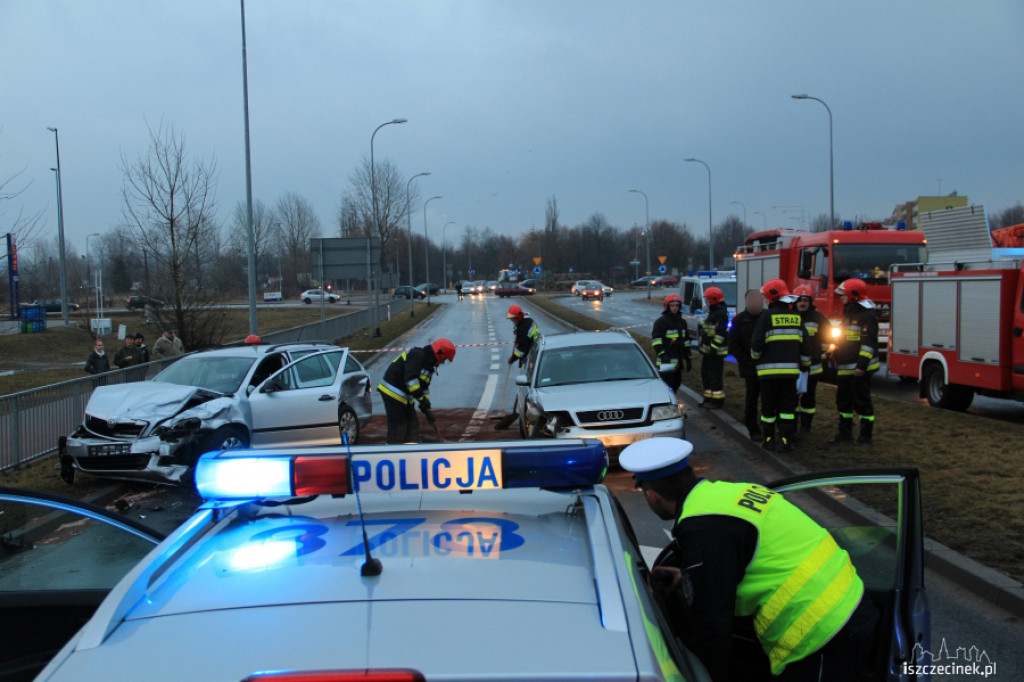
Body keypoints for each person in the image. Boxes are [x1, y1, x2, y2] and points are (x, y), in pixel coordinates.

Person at [620, 437, 880, 682]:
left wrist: (704, 675)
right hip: (848, 602)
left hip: (821, 633)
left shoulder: (703, 528)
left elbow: (712, 623)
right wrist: (688, 576)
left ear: (651, 495)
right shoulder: (729, 494)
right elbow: (752, 559)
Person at [750, 279, 810, 453]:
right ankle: (785, 441)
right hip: (790, 375)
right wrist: (805, 365)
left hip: (767, 374)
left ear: (772, 298)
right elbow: (805, 346)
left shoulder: (766, 317)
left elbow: (756, 343)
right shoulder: (796, 317)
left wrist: (755, 359)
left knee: (768, 408)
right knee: (787, 409)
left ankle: (768, 440)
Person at [377, 338, 456, 444]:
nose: (442, 363)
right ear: (440, 354)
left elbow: (424, 388)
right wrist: (422, 400)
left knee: (413, 426)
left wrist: (427, 408)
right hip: (392, 392)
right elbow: (411, 381)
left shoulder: (429, 367)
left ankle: (411, 453)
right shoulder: (417, 355)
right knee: (399, 427)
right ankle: (390, 454)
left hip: (404, 397)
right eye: (444, 359)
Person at [831, 278, 880, 445]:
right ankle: (845, 433)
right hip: (845, 366)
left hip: (859, 369)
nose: (841, 298)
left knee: (862, 402)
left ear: (853, 296)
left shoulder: (867, 317)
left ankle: (866, 436)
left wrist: (861, 367)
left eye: (843, 295)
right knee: (843, 402)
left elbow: (868, 344)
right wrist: (836, 356)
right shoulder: (849, 314)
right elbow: (844, 340)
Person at [726, 289, 763, 440]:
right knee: (752, 398)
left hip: (767, 367)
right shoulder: (739, 320)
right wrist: (745, 363)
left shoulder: (767, 317)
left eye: (758, 300)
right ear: (747, 302)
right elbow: (733, 344)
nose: (756, 303)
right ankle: (752, 427)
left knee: (768, 399)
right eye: (752, 301)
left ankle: (768, 428)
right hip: (749, 367)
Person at [792, 285, 829, 434]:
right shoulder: (790, 316)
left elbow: (826, 342)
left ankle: (806, 426)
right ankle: (792, 424)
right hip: (793, 366)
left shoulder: (819, 319)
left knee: (808, 398)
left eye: (806, 300)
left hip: (812, 367)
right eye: (800, 300)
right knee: (792, 398)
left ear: (811, 301)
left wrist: (817, 354)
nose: (802, 303)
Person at [651, 293, 691, 394]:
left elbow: (686, 341)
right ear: (667, 306)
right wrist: (662, 354)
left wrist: (688, 358)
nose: (675, 308)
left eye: (677, 306)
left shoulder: (682, 322)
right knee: (666, 386)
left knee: (676, 384)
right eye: (672, 305)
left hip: (678, 362)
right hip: (665, 362)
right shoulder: (661, 322)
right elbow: (656, 340)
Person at [698, 286, 729, 408]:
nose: (706, 302)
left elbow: (721, 334)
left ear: (714, 300)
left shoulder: (721, 314)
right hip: (708, 352)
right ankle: (708, 398)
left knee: (715, 376)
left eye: (707, 300)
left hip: (715, 353)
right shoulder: (714, 312)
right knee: (706, 375)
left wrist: (713, 348)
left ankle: (717, 401)